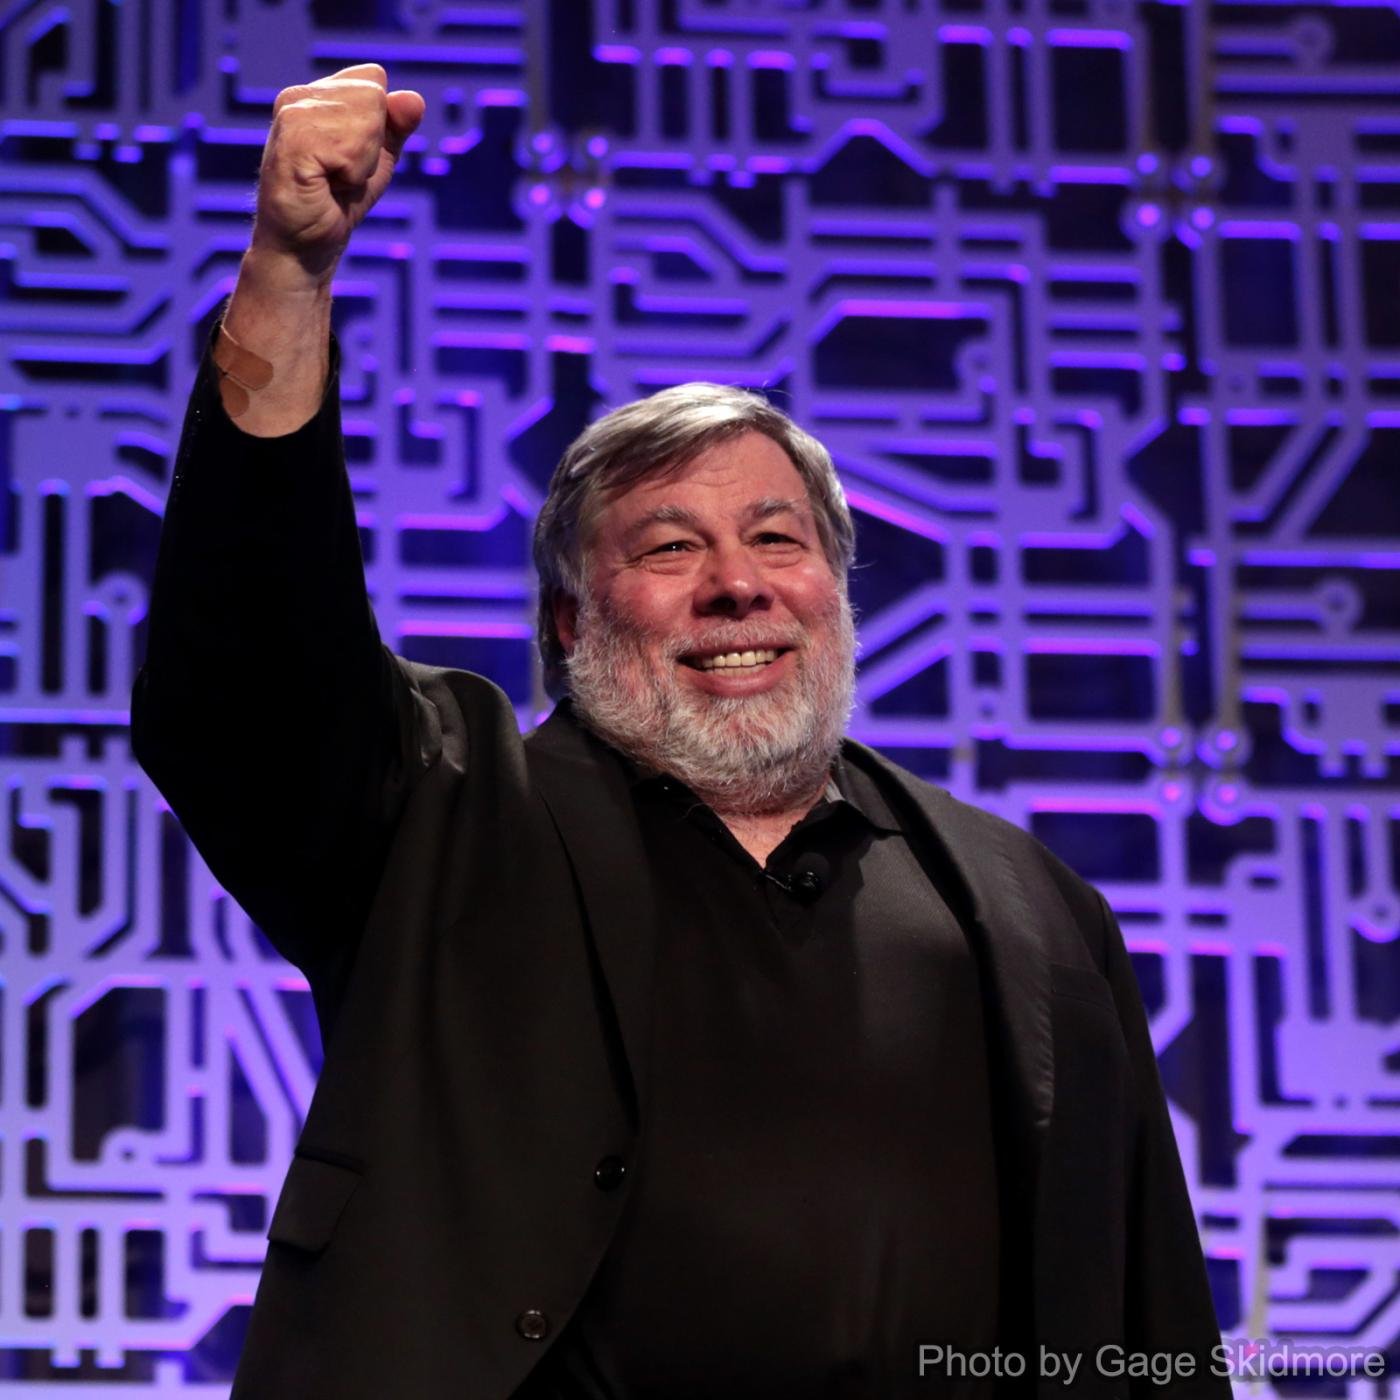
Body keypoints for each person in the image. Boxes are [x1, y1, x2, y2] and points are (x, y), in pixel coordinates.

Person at [132, 64, 1228, 1399]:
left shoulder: (1031, 906)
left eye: (778, 539)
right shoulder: (440, 817)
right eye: (668, 547)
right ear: (568, 622)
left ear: (836, 591)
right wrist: (287, 282)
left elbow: (1146, 1307)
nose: (736, 585)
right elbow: (247, 675)